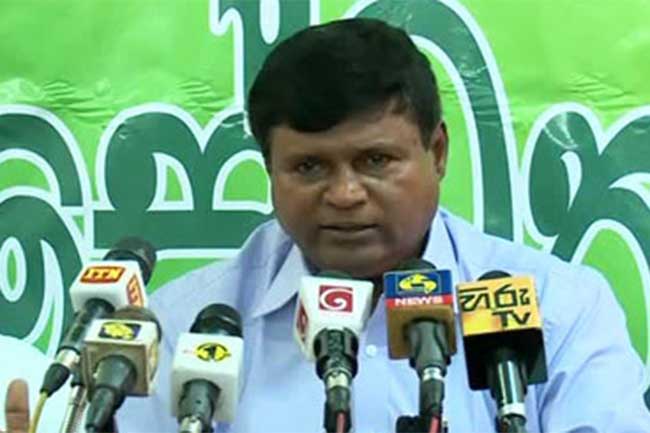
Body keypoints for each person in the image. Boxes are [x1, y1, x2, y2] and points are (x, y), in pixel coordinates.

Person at [4, 17, 650, 433]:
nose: (344, 194)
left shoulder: (560, 307)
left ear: (438, 152)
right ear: (270, 170)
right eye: (309, 166)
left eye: (376, 161)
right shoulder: (183, 327)